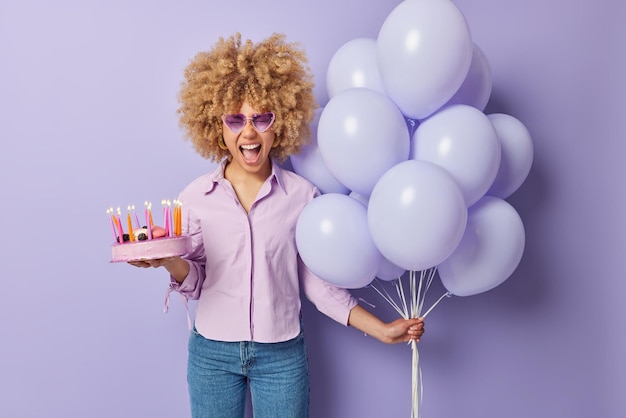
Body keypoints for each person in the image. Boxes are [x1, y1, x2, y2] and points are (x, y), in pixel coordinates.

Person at [130, 32, 425, 418]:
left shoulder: (303, 197)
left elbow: (320, 285)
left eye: (261, 118)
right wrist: (169, 261)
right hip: (211, 356)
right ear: (216, 126)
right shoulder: (195, 197)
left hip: (281, 356)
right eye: (235, 119)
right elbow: (197, 280)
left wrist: (383, 329)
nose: (248, 132)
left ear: (280, 122)